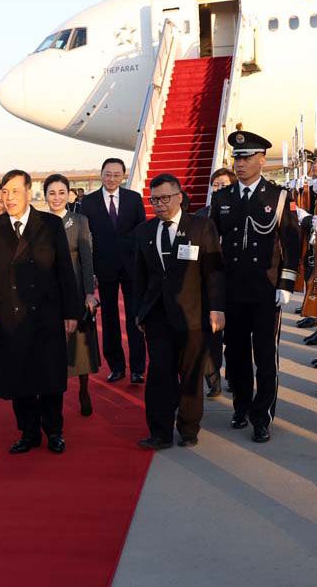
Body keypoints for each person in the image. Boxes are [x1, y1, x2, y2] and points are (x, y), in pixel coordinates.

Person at [0, 170, 80, 454]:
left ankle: (54, 431)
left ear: (28, 192)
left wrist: (72, 312)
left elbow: (64, 272)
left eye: (15, 191)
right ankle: (28, 432)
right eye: (5, 192)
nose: (9, 198)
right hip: (9, 317)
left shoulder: (49, 224)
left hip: (47, 314)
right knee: (18, 378)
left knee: (49, 378)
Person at [208, 131, 300, 443]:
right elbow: (212, 249)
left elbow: (290, 242)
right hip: (233, 290)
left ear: (262, 158)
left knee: (264, 355)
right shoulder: (222, 198)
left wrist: (286, 282)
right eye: (236, 157)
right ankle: (242, 406)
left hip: (264, 290)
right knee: (235, 354)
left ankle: (262, 417)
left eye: (247, 157)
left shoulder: (278, 196)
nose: (240, 164)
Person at [134, 174, 225, 449]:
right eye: (154, 200)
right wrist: (139, 313)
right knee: (159, 372)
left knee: (190, 372)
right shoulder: (145, 232)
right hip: (157, 315)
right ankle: (159, 431)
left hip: (192, 314)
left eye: (164, 198)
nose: (159, 205)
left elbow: (214, 271)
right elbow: (139, 277)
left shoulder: (200, 227)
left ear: (179, 197)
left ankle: (188, 428)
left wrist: (217, 308)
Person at [79, 158, 147, 383]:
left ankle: (137, 368)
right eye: (108, 174)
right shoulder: (88, 202)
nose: (111, 179)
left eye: (116, 175)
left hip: (131, 267)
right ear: (101, 174)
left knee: (135, 318)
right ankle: (116, 366)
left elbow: (141, 233)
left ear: (123, 176)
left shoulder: (133, 199)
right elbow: (85, 239)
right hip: (103, 268)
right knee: (109, 320)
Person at [44, 174, 100, 417]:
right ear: (45, 196)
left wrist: (89, 293)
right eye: (51, 193)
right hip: (48, 293)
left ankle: (84, 388)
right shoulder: (40, 222)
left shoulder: (79, 221)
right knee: (51, 345)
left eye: (61, 192)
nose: (57, 197)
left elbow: (87, 260)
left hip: (76, 290)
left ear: (69, 195)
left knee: (80, 345)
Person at [198, 168, 237, 398]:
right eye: (215, 185)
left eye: (224, 185)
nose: (219, 189)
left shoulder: (241, 212)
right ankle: (213, 379)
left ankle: (233, 373)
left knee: (234, 336)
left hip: (234, 282)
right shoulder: (201, 215)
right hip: (209, 284)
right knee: (211, 334)